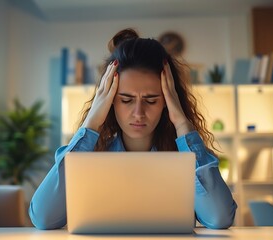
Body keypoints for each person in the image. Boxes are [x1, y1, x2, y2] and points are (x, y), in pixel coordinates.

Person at [29, 28, 237, 230]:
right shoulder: (93, 155)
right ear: (109, 101)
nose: (138, 113)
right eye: (126, 100)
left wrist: (182, 123)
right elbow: (43, 217)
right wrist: (90, 123)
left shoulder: (186, 157)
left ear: (167, 101)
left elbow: (219, 217)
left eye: (152, 100)